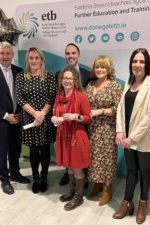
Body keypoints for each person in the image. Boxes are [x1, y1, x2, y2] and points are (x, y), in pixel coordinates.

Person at [112, 48, 150, 224]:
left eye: (141, 61)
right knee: (131, 170)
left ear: (147, 64)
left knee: (144, 171)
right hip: (126, 136)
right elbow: (120, 107)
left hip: (142, 138)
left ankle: (143, 203)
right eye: (135, 61)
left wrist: (132, 138)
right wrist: (119, 130)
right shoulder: (128, 82)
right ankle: (127, 203)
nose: (137, 64)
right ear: (131, 63)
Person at [0, 41, 30, 195]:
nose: (5, 56)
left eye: (8, 53)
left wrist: (20, 113)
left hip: (17, 118)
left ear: (12, 55)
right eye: (2, 53)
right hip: (0, 120)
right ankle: (5, 179)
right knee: (2, 151)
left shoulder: (19, 71)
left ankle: (15, 173)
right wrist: (5, 116)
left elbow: (23, 95)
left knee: (15, 149)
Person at [15, 47, 57, 193]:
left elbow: (51, 97)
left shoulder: (50, 76)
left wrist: (42, 114)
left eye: (37, 58)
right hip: (29, 118)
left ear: (41, 60)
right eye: (31, 58)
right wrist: (34, 113)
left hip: (45, 118)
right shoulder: (21, 76)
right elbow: (19, 98)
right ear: (27, 60)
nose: (34, 60)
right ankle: (35, 178)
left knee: (45, 149)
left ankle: (44, 177)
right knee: (33, 150)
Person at [51, 66, 91, 211]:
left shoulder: (81, 96)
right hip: (63, 136)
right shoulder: (59, 97)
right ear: (61, 80)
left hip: (77, 137)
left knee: (77, 169)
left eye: (70, 78)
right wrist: (54, 118)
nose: (67, 81)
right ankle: (72, 191)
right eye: (64, 78)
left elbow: (88, 118)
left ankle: (78, 196)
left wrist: (76, 116)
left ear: (75, 81)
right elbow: (56, 114)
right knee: (68, 166)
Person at [86, 55, 121, 206]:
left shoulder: (114, 86)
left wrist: (100, 111)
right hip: (91, 129)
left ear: (108, 69)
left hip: (107, 129)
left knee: (107, 158)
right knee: (94, 157)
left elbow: (117, 108)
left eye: (103, 67)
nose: (99, 69)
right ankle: (97, 183)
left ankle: (108, 188)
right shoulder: (90, 85)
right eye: (97, 67)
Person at [55, 43, 92, 186]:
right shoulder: (59, 76)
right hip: (64, 130)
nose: (70, 56)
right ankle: (72, 185)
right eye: (68, 53)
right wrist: (54, 116)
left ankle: (81, 183)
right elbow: (57, 105)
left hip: (80, 127)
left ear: (78, 55)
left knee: (79, 159)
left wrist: (77, 116)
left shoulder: (87, 75)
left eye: (73, 53)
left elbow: (88, 109)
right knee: (69, 162)